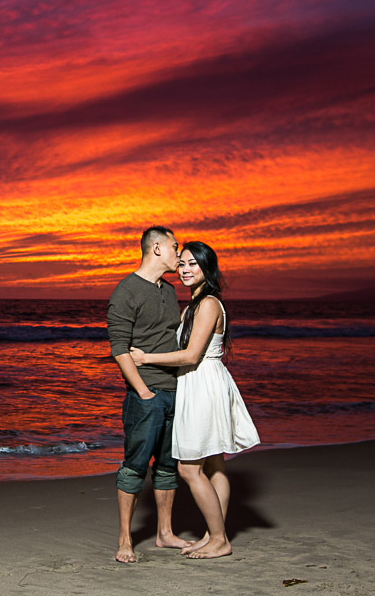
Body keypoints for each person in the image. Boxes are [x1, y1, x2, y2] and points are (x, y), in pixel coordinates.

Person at [129, 241, 260, 559]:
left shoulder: (209, 304)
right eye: (183, 264)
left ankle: (219, 539)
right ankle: (214, 535)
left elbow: (190, 354)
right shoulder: (194, 306)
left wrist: (146, 359)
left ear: (207, 269)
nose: (185, 270)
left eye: (193, 265)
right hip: (200, 383)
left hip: (203, 385)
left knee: (189, 469)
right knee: (214, 465)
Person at [107, 226, 191, 563]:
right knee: (135, 466)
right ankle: (125, 539)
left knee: (169, 466)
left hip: (177, 391)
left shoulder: (169, 291)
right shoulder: (126, 290)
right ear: (157, 248)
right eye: (175, 246)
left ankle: (164, 533)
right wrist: (142, 391)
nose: (178, 252)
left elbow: (171, 333)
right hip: (147, 394)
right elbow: (119, 348)